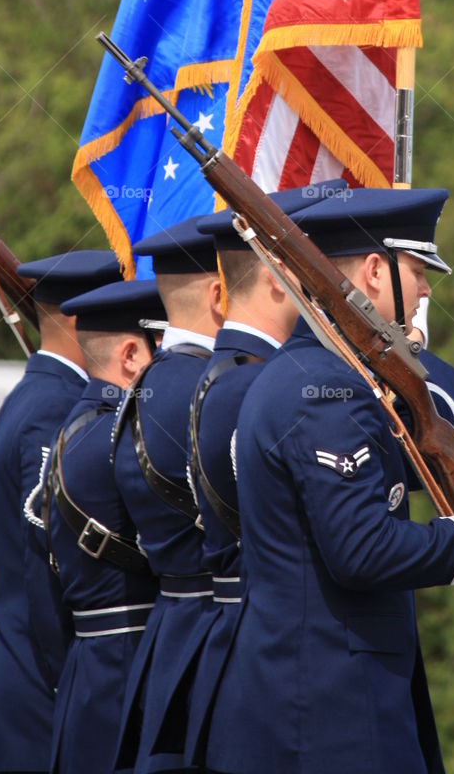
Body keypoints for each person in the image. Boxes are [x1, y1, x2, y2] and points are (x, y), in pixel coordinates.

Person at [206, 188, 454, 774]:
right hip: (327, 714)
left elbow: (399, 467)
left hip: (317, 700)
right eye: (416, 271)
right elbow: (362, 550)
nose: (426, 289)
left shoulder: (318, 377)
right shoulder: (328, 394)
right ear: (373, 272)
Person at [0, 249, 123, 774]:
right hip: (31, 703)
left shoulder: (39, 394)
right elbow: (49, 562)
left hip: (19, 683)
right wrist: (71, 681)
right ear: (76, 318)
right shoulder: (53, 408)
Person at [182, 185, 340, 770]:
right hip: (280, 659)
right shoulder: (260, 388)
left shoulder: (224, 375)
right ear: (280, 280)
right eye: (316, 271)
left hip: (238, 642)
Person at [112, 216, 224, 774]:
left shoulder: (154, 383)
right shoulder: (211, 386)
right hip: (212, 636)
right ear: (220, 293)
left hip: (172, 628)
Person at [45, 279, 165, 774]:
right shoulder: (121, 437)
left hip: (90, 670)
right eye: (166, 350)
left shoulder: (77, 426)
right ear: (133, 354)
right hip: (126, 670)